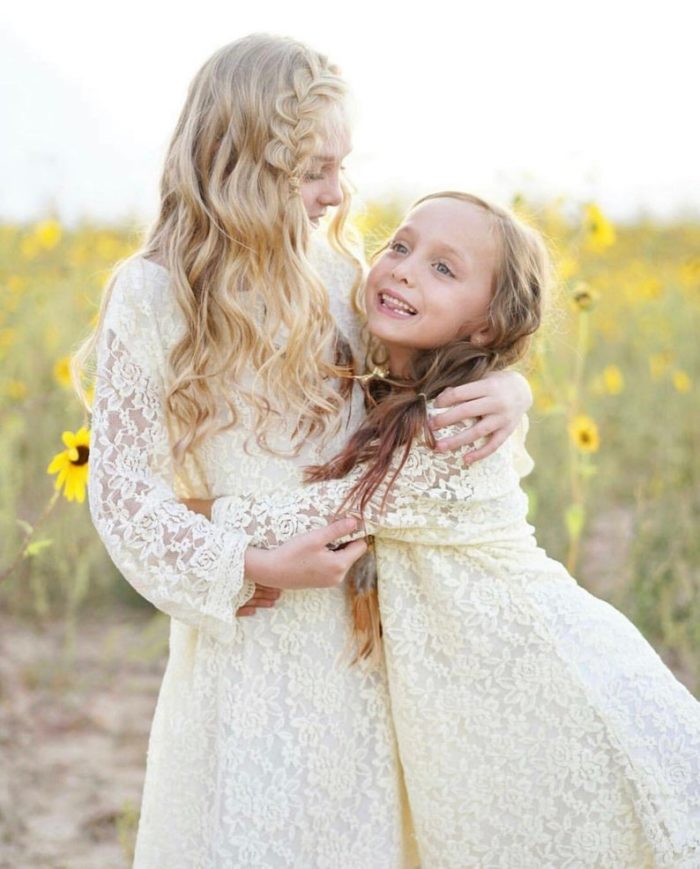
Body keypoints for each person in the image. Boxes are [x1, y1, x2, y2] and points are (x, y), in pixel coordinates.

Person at [79, 36, 531, 867]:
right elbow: (124, 497)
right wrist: (251, 561)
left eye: (342, 166)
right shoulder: (152, 296)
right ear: (242, 165)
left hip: (356, 636)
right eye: (313, 170)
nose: (337, 192)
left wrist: (508, 388)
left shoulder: (339, 278)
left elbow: (421, 397)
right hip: (246, 637)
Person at [201, 192, 700, 868]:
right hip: (479, 702)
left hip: (549, 684)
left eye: (443, 269)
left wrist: (175, 511)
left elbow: (303, 515)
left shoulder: (453, 426)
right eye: (400, 247)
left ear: (487, 325)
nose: (404, 270)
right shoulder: (397, 389)